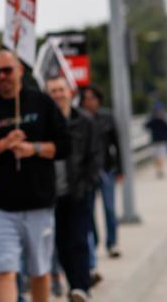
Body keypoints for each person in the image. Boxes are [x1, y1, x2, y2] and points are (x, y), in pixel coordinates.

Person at [0, 50, 69, 302]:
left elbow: (65, 146)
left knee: (39, 270)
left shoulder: (42, 102)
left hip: (39, 202)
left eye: (7, 70)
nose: (2, 76)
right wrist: (2, 145)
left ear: (20, 70)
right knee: (6, 270)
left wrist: (32, 148)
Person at [45, 76, 100, 302]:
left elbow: (95, 155)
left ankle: (82, 286)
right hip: (52, 194)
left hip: (78, 191)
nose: (58, 94)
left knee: (79, 238)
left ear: (70, 92)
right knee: (61, 243)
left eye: (61, 89)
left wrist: (87, 184)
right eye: (53, 91)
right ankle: (73, 285)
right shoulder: (44, 122)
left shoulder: (84, 121)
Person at [78, 84, 122, 259]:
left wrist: (120, 168)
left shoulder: (107, 117)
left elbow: (117, 144)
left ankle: (112, 242)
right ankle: (93, 244)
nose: (89, 102)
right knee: (89, 211)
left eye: (92, 98)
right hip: (88, 172)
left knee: (109, 208)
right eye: (86, 98)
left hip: (106, 168)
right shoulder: (80, 118)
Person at [144, 105, 167, 179]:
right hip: (156, 141)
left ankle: (160, 170)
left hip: (160, 142)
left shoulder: (160, 120)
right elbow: (146, 126)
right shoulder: (157, 120)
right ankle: (159, 170)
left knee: (159, 157)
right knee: (157, 157)